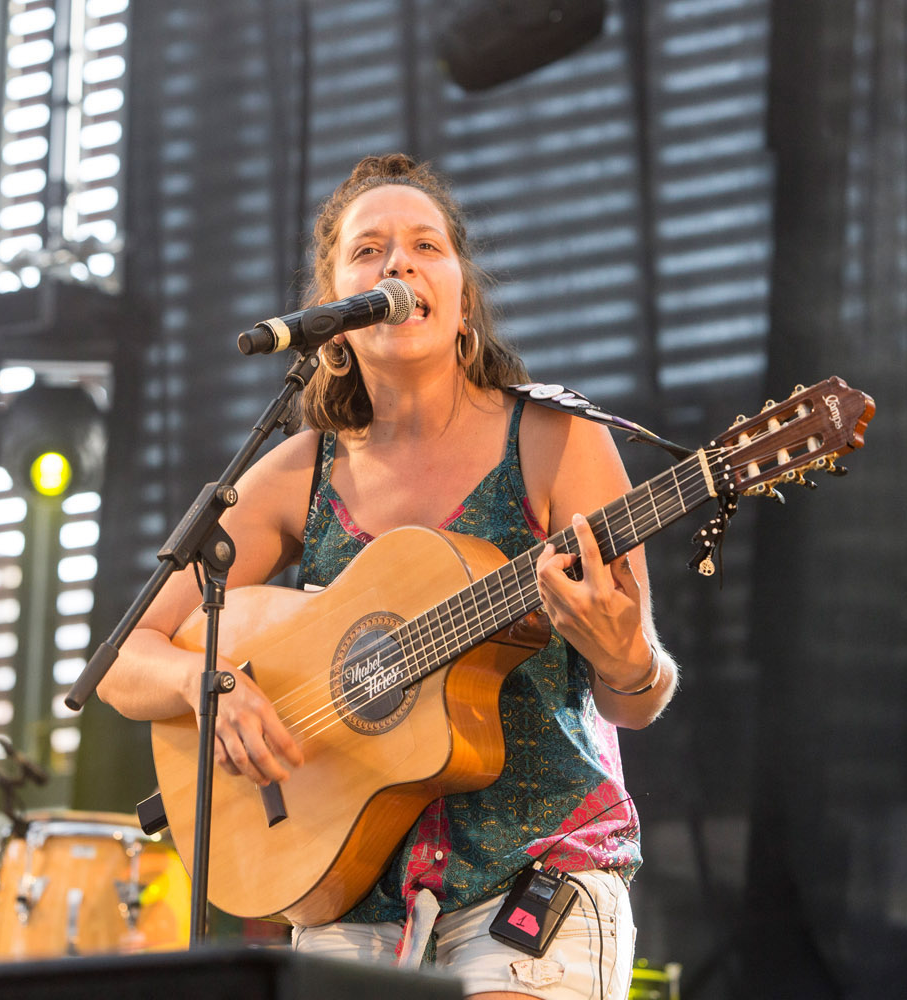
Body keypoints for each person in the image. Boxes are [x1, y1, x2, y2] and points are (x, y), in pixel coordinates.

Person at [95, 154, 677, 1000]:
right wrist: (205, 682)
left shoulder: (557, 439)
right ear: (333, 314)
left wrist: (626, 656)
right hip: (347, 883)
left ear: (462, 299)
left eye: (425, 246)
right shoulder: (298, 473)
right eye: (368, 251)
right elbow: (123, 660)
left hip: (538, 868)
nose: (397, 264)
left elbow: (636, 700)